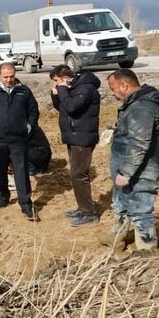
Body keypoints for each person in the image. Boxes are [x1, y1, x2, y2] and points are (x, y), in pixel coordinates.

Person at [0, 62, 39, 221]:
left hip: (19, 140)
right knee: (0, 169)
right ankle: (3, 197)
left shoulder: (24, 91)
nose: (9, 80)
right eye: (5, 77)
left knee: (21, 170)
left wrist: (29, 126)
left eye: (12, 76)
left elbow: (33, 111)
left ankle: (26, 204)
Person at [104, 69, 159, 250]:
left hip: (142, 169)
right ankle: (117, 237)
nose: (112, 94)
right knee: (120, 201)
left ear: (124, 85)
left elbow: (139, 143)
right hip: (129, 165)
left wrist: (125, 172)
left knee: (140, 207)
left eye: (113, 89)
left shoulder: (142, 107)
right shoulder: (136, 103)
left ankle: (146, 249)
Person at [49, 65, 100, 227]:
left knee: (79, 175)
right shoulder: (74, 87)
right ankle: (83, 207)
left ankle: (89, 213)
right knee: (76, 175)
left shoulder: (86, 88)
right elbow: (63, 107)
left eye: (56, 81)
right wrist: (55, 95)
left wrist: (62, 90)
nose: (56, 84)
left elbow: (72, 107)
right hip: (74, 137)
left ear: (64, 78)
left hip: (82, 138)